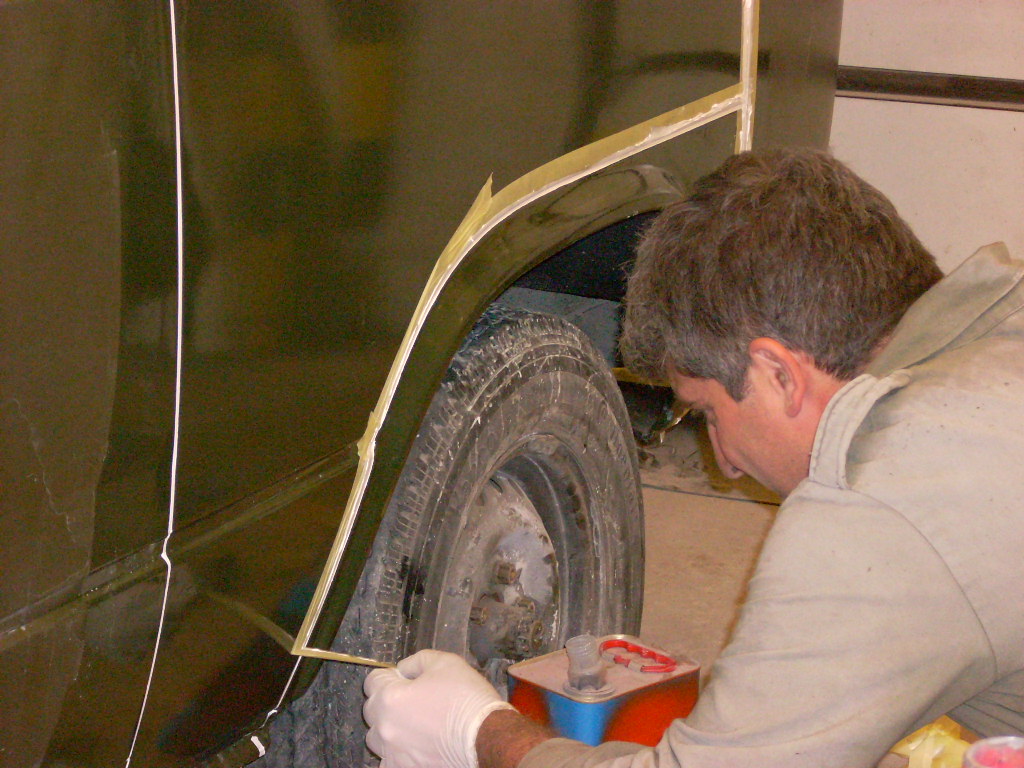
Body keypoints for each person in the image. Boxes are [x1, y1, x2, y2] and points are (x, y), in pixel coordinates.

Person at [362, 149, 1024, 768]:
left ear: (778, 376)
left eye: (706, 413)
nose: (725, 464)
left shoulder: (881, 502)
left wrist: (478, 734)